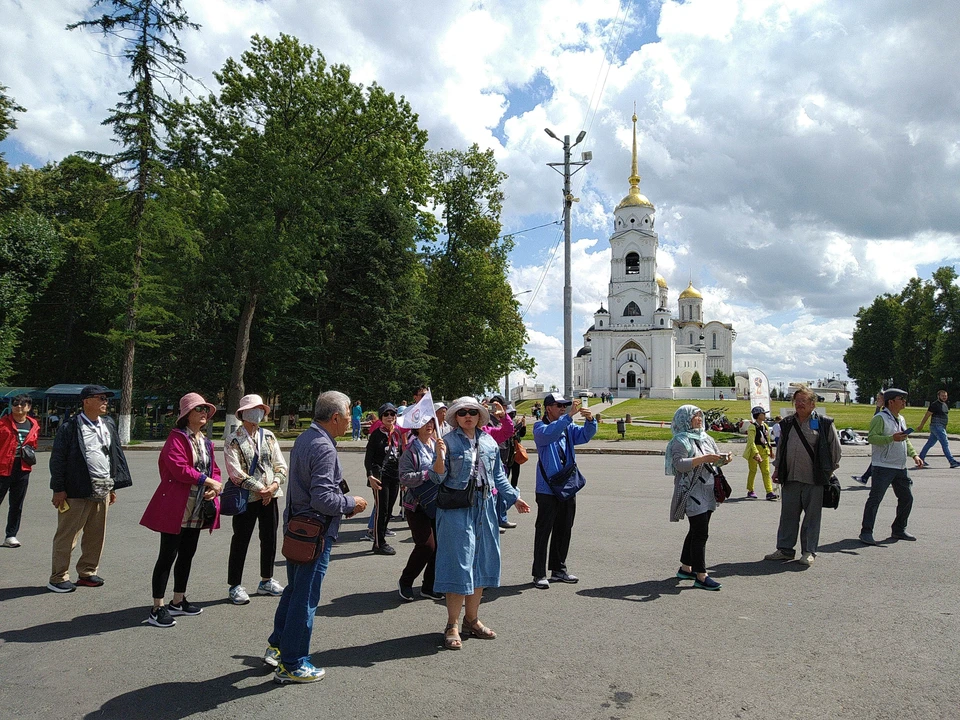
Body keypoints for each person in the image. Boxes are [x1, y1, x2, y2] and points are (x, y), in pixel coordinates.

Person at [265, 391, 367, 683]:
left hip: (299, 529)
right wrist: (352, 504)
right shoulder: (323, 446)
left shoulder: (306, 438)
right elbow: (323, 499)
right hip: (315, 533)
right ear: (335, 417)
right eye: (348, 416)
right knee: (305, 598)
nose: (350, 421)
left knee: (295, 592)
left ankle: (278, 646)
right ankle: (293, 663)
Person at [433, 396, 531, 650]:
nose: (468, 416)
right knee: (458, 563)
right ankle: (451, 624)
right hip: (456, 509)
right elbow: (436, 478)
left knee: (482, 561)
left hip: (485, 507)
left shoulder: (488, 440)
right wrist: (439, 457)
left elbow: (498, 474)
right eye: (463, 412)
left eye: (473, 412)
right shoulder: (447, 441)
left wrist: (515, 498)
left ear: (479, 416)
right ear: (455, 416)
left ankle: (472, 620)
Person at [140, 393, 223, 627]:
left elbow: (214, 470)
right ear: (186, 415)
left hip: (196, 507)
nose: (204, 413)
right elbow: (179, 469)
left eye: (206, 409)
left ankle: (178, 600)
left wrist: (213, 488)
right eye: (199, 409)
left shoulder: (205, 441)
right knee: (167, 555)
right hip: (176, 506)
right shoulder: (176, 438)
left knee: (187, 554)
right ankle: (157, 607)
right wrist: (208, 481)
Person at [47, 385, 132, 593]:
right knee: (68, 534)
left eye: (106, 398)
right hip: (76, 489)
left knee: (96, 534)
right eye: (100, 398)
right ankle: (58, 577)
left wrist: (113, 486)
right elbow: (58, 459)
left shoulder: (108, 424)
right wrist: (58, 489)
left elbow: (114, 456)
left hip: (102, 487)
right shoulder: (70, 426)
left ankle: (87, 572)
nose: (105, 402)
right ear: (86, 401)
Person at [763, 387, 841, 567]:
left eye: (803, 401)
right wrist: (777, 470)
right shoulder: (788, 423)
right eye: (796, 401)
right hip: (790, 477)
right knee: (788, 516)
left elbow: (835, 451)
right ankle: (785, 550)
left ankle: (809, 551)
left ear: (813, 404)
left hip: (814, 479)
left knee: (812, 518)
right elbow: (781, 449)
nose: (799, 404)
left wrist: (827, 473)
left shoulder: (824, 423)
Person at [224, 393, 288, 605]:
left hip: (271, 495)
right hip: (247, 497)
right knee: (240, 540)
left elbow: (280, 465)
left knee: (269, 538)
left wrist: (274, 485)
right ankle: (235, 585)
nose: (258, 412)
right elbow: (235, 473)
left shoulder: (269, 436)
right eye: (254, 408)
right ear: (243, 413)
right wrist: (262, 489)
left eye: (261, 408)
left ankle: (266, 580)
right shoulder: (233, 439)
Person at [531, 393, 597, 589]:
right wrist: (568, 417)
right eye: (559, 405)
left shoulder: (567, 428)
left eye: (565, 405)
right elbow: (550, 433)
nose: (563, 408)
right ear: (547, 408)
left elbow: (585, 436)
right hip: (547, 489)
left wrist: (590, 420)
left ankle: (559, 569)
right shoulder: (539, 427)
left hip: (567, 485)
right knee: (544, 531)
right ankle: (539, 573)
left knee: (564, 528)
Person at [667, 404, 730, 591]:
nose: (699, 419)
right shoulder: (680, 440)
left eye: (700, 416)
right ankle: (701, 575)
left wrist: (724, 459)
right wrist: (703, 459)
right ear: (684, 419)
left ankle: (686, 568)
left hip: (708, 490)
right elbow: (679, 464)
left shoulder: (705, 437)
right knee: (701, 533)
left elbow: (714, 459)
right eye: (695, 416)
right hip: (692, 491)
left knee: (696, 531)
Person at [859, 388, 923, 545]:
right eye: (901, 398)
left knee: (907, 498)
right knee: (875, 500)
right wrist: (890, 438)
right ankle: (866, 532)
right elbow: (872, 438)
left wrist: (914, 455)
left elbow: (905, 439)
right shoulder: (880, 418)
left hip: (900, 467)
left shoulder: (901, 418)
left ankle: (899, 529)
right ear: (891, 401)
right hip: (883, 466)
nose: (904, 401)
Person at [397, 416, 443, 601]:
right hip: (416, 505)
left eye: (432, 422)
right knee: (426, 546)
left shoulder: (438, 445)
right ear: (416, 426)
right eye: (426, 422)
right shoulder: (411, 450)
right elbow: (404, 477)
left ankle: (428, 586)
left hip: (437, 502)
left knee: (438, 547)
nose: (430, 425)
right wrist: (427, 474)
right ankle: (406, 581)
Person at [0, 394, 40, 547]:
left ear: (28, 407)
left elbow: (33, 444)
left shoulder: (33, 424)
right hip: (3, 466)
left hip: (22, 468)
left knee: (16, 504)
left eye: (22, 405)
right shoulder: (3, 423)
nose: (18, 407)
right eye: (16, 404)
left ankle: (11, 536)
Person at [364, 403, 403, 555]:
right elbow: (369, 458)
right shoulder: (376, 434)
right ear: (381, 417)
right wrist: (370, 475)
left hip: (395, 475)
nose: (389, 417)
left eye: (392, 414)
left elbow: (400, 454)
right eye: (386, 414)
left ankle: (381, 538)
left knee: (389, 510)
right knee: (382, 510)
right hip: (380, 477)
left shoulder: (397, 434)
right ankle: (378, 542)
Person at [916, 389, 959, 469]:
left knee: (930, 443)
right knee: (945, 443)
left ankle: (920, 459)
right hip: (936, 426)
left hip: (941, 427)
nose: (944, 397)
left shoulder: (945, 405)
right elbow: (927, 415)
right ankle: (952, 461)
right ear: (938, 396)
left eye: (945, 396)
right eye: (942, 396)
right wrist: (921, 425)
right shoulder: (934, 405)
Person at [743, 406, 777, 500]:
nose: (765, 415)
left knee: (766, 471)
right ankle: (750, 490)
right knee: (753, 471)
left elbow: (767, 439)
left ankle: (769, 492)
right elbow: (751, 442)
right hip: (754, 451)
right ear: (758, 415)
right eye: (763, 413)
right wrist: (756, 453)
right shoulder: (752, 427)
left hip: (764, 450)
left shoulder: (765, 426)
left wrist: (770, 450)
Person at [852, 392, 885, 484]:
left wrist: (878, 407)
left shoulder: (886, 411)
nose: (877, 400)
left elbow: (876, 418)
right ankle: (865, 478)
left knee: (879, 461)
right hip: (882, 441)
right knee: (878, 460)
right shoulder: (885, 410)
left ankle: (865, 478)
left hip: (884, 440)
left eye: (879, 399)